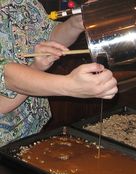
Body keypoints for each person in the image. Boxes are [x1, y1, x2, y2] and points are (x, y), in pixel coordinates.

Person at [0, 0, 118, 146]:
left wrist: (74, 24)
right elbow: (7, 76)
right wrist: (70, 85)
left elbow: (47, 36)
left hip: (32, 129)